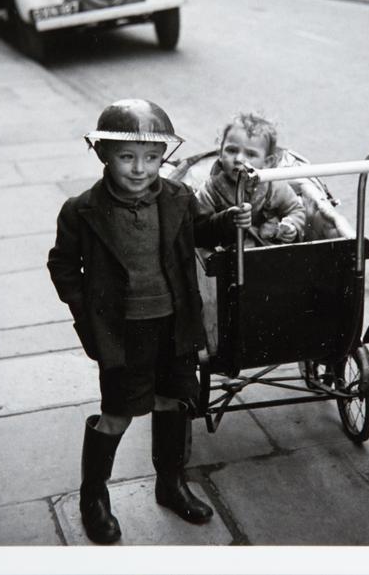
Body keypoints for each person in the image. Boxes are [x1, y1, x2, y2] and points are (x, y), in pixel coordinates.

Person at [47, 99, 251, 545]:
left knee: (173, 402)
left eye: (152, 158)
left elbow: (200, 231)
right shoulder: (80, 210)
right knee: (117, 414)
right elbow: (62, 266)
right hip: (122, 334)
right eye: (127, 157)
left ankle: (171, 482)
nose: (140, 168)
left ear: (164, 157)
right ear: (103, 154)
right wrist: (88, 316)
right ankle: (93, 497)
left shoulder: (178, 198)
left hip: (173, 326)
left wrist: (227, 221)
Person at [196, 112, 306, 245]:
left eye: (250, 154)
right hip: (227, 249)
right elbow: (199, 227)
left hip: (265, 247)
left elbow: (296, 209)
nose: (239, 159)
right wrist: (225, 221)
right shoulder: (210, 190)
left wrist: (291, 226)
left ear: (267, 162)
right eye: (231, 150)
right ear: (220, 153)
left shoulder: (273, 185)